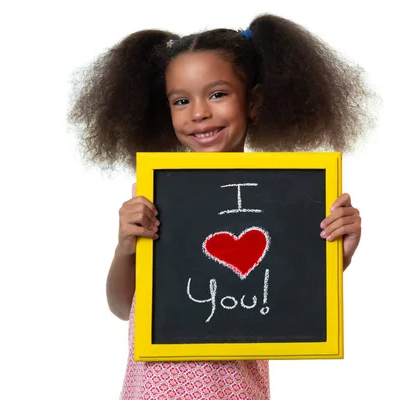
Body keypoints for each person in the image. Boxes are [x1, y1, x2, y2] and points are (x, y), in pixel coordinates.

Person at [68, 13, 374, 400]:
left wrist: (334, 257)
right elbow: (122, 306)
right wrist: (125, 247)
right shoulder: (155, 195)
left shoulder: (289, 198)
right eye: (181, 100)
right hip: (153, 390)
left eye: (217, 94)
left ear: (254, 101)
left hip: (236, 390)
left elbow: (286, 292)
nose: (199, 113)